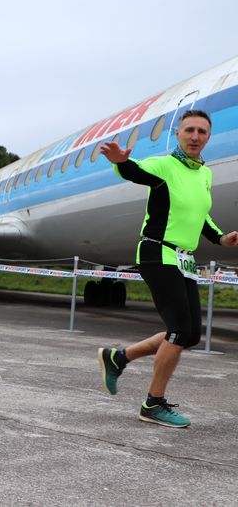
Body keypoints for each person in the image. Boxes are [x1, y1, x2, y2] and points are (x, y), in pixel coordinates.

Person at [97, 109, 238, 428]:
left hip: (183, 260)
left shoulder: (205, 174)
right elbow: (136, 171)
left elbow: (200, 214)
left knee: (189, 334)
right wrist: (121, 162)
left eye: (202, 132)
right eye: (189, 130)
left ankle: (118, 357)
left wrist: (220, 237)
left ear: (208, 137)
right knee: (178, 330)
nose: (195, 136)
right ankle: (153, 403)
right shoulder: (164, 166)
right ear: (178, 134)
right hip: (157, 252)